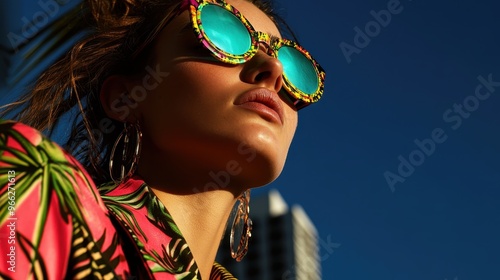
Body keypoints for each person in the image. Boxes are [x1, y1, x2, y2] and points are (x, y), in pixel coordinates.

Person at [0, 0, 325, 278]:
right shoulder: (37, 186)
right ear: (125, 98)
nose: (272, 69)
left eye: (292, 65)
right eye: (223, 36)